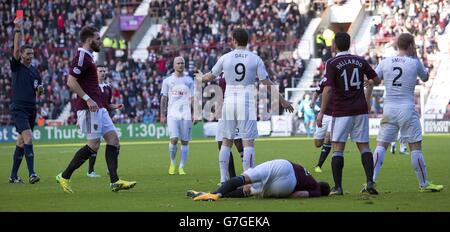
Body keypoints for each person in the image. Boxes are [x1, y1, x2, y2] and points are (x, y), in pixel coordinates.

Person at [195, 28, 294, 186]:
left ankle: (223, 179)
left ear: (234, 40)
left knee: (226, 141)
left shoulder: (225, 58)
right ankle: (248, 179)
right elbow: (266, 83)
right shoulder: (254, 59)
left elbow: (209, 76)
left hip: (228, 101)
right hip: (246, 102)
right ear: (247, 41)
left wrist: (200, 77)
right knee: (248, 142)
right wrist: (282, 100)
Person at [56, 26, 136, 193]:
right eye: (98, 39)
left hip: (98, 108)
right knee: (93, 146)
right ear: (89, 40)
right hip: (88, 109)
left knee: (113, 140)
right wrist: (87, 99)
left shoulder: (89, 57)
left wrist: (104, 104)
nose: (100, 42)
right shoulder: (81, 57)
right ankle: (64, 176)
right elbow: (71, 82)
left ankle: (115, 181)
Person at [372, 33, 443, 192]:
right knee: (415, 147)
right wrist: (416, 56)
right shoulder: (413, 63)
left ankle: (371, 181)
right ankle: (423, 184)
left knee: (381, 145)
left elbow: (374, 79)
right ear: (411, 46)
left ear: (397, 45)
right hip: (407, 109)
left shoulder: (385, 62)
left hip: (389, 108)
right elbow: (425, 77)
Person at [317, 32, 381, 195]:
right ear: (349, 44)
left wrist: (322, 112)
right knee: (364, 147)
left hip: (341, 111)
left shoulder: (331, 63)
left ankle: (338, 187)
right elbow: (377, 80)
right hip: (360, 109)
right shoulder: (360, 61)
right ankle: (370, 183)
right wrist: (370, 81)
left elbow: (329, 89)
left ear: (335, 46)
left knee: (337, 148)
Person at [188, 159, 330, 201]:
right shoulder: (316, 191)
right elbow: (298, 195)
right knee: (249, 190)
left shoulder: (310, 177)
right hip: (287, 187)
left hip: (284, 166)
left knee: (246, 180)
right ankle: (211, 194)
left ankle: (215, 194)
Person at [9, 18, 44, 184]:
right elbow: (15, 48)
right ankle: (32, 174)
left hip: (31, 109)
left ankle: (13, 176)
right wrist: (17, 29)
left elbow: (39, 90)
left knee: (22, 142)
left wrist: (40, 91)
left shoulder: (36, 72)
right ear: (21, 55)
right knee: (29, 137)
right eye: (27, 53)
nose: (30, 56)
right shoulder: (16, 66)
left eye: (32, 53)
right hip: (19, 109)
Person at [86, 65, 124, 178]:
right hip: (92, 116)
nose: (102, 73)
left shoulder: (108, 87)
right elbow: (85, 102)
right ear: (95, 73)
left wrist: (116, 106)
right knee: (94, 145)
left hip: (104, 115)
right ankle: (90, 171)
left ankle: (111, 168)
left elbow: (106, 105)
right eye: (100, 71)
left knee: (116, 142)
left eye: (104, 71)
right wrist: (79, 119)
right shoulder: (91, 86)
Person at [160, 56, 194, 175]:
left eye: (182, 63)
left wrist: (196, 113)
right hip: (172, 114)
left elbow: (193, 98)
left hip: (186, 114)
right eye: (178, 63)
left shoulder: (189, 80)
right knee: (174, 139)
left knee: (185, 141)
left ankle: (181, 167)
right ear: (174, 65)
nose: (180, 65)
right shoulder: (167, 81)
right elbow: (163, 98)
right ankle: (173, 163)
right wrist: (162, 115)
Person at [216, 75, 244, 182]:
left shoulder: (237, 69)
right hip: (224, 110)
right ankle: (230, 178)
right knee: (221, 143)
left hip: (236, 108)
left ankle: (248, 174)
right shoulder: (222, 71)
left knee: (239, 143)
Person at [310, 77, 332, 173]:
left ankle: (319, 165)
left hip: (337, 114)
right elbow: (317, 92)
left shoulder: (342, 79)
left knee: (328, 138)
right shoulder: (325, 80)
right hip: (324, 114)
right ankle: (331, 143)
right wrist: (313, 101)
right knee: (318, 143)